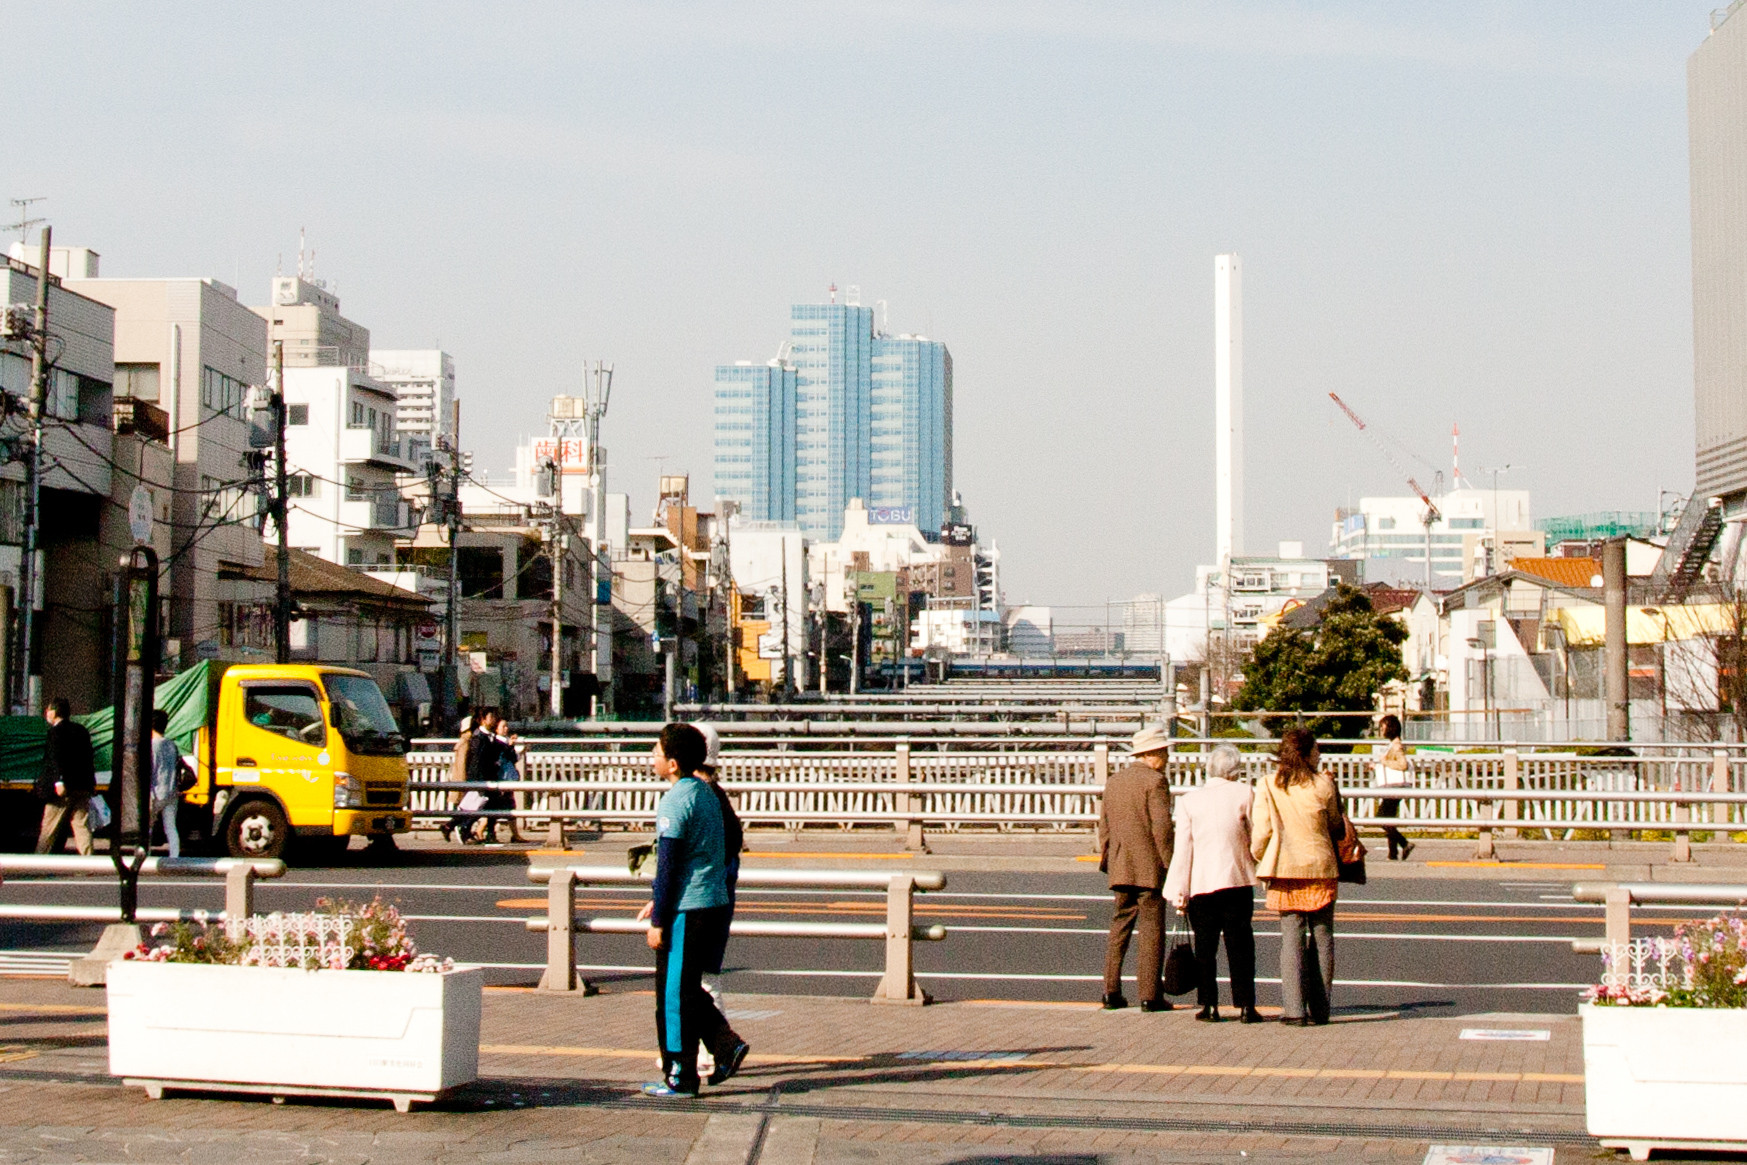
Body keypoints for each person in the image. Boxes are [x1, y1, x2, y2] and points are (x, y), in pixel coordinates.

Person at [642, 722, 733, 1098]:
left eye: (658, 752)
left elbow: (669, 866)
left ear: (674, 763)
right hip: (710, 900)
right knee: (684, 988)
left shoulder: (677, 799)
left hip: (686, 908)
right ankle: (723, 1045)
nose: (653, 757)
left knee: (674, 995)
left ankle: (681, 1075)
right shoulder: (707, 794)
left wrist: (659, 918)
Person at [1250, 726, 1342, 1026]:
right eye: (1316, 748)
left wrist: (1259, 854)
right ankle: (1321, 1008)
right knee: (1322, 936)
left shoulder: (1268, 785)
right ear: (1308, 752)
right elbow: (1334, 824)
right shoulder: (1323, 785)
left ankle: (1294, 1010)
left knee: (1290, 937)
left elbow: (1261, 832)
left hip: (1285, 868)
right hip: (1320, 866)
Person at [1163, 743, 1260, 1023]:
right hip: (1237, 879)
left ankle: (1208, 1005)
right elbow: (1254, 835)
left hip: (1201, 883)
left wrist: (1179, 891)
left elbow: (1183, 850)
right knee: (1240, 946)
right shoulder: (1245, 793)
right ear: (1235, 769)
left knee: (1205, 948)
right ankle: (1245, 1006)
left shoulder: (1190, 800)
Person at [1098, 724, 1175, 1011]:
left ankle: (1110, 990)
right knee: (1152, 929)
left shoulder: (1114, 781)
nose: (1167, 757)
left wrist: (1110, 859)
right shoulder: (1155, 782)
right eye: (1164, 751)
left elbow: (1104, 828)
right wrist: (1170, 865)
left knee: (1119, 926)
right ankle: (1149, 994)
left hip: (1121, 864)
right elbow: (1162, 830)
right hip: (1149, 867)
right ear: (1152, 753)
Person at [35, 697, 96, 855]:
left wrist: (59, 781)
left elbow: (56, 758)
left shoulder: (55, 733)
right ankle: (89, 862)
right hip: (83, 786)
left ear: (54, 712)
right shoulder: (81, 730)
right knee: (82, 826)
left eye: (48, 710)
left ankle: (36, 863)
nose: (46, 713)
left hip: (63, 789)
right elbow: (89, 757)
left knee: (49, 829)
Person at [1371, 714, 1415, 861]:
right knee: (1388, 818)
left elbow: (1402, 764)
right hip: (1394, 786)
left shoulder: (1396, 745)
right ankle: (1393, 853)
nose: (1381, 730)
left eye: (1383, 727)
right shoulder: (1393, 744)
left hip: (1395, 786)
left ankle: (1404, 843)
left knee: (1381, 818)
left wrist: (1384, 763)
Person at [458, 709, 504, 843]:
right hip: (481, 777)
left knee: (488, 805)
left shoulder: (488, 736)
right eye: (491, 717)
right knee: (478, 805)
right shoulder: (478, 737)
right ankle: (460, 827)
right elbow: (478, 760)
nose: (494, 719)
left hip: (488, 776)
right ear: (483, 719)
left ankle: (488, 833)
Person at [150, 710, 184, 859]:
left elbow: (151, 770)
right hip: (172, 792)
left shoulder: (152, 746)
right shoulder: (171, 745)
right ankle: (174, 857)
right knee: (171, 827)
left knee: (148, 827)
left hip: (156, 792)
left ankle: (146, 856)